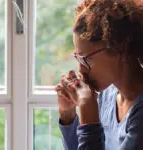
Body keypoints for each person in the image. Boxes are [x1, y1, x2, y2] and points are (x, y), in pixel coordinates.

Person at [55, 0, 143, 149]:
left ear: (119, 47)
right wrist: (68, 115)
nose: (81, 71)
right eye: (78, 59)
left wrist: (88, 111)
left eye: (86, 59)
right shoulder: (107, 95)